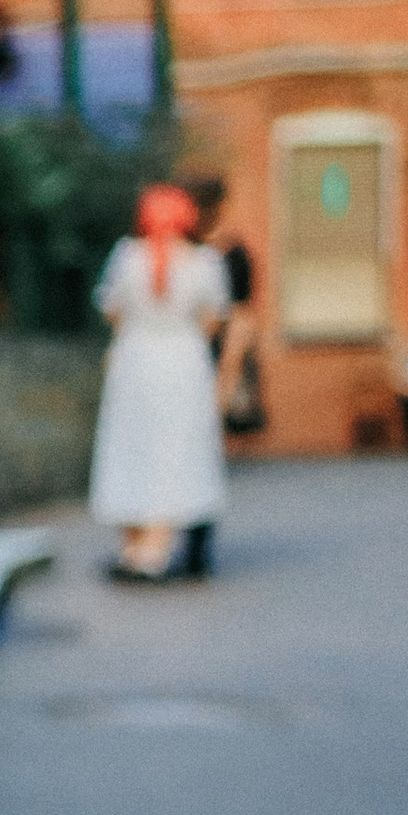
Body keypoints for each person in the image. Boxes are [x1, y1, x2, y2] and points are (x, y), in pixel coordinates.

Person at [89, 182, 229, 581]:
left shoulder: (126, 256)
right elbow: (212, 320)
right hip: (183, 364)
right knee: (176, 451)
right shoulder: (205, 262)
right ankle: (158, 548)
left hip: (136, 361)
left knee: (132, 448)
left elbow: (113, 310)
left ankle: (135, 548)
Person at [183, 172, 261, 579]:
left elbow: (241, 320)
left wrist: (226, 379)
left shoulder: (232, 255)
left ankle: (197, 544)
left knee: (205, 451)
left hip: (213, 361)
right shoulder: (184, 253)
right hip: (183, 363)